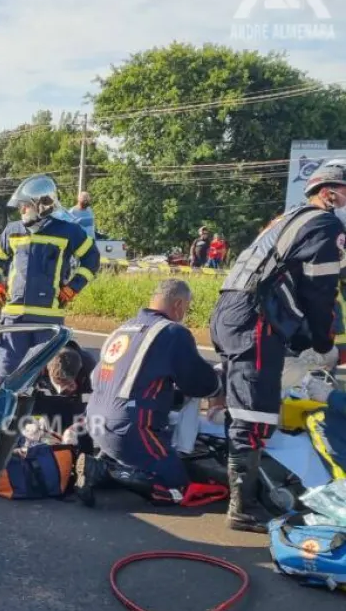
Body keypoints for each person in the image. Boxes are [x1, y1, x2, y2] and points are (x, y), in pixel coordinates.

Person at [210, 159, 346, 533]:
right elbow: (321, 291)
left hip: (233, 310)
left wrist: (301, 339)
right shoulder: (325, 222)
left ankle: (240, 495)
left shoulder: (287, 219)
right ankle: (243, 507)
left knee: (244, 408)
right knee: (255, 413)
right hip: (254, 318)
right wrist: (322, 342)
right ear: (329, 192)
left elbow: (293, 283)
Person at [76, 278, 223, 507]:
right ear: (178, 305)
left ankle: (108, 465)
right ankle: (106, 471)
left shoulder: (121, 330)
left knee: (139, 458)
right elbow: (198, 381)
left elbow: (101, 378)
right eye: (186, 308)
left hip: (95, 421)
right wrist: (219, 386)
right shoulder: (172, 333)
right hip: (129, 428)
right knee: (177, 488)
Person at [0, 174, 101, 382]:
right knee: (6, 376)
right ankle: (8, 415)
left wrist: (74, 287)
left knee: (49, 376)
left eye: (25, 206)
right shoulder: (12, 231)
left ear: (42, 206)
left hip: (48, 319)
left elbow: (91, 259)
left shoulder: (68, 232)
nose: (21, 210)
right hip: (14, 318)